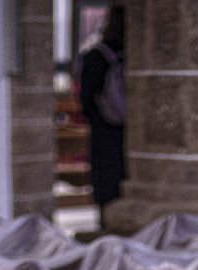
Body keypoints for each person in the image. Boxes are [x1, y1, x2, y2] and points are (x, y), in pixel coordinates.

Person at [78, 7, 126, 228]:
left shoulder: (97, 56)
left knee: (107, 187)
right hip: (129, 133)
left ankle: (106, 228)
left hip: (105, 133)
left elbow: (86, 99)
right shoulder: (135, 56)